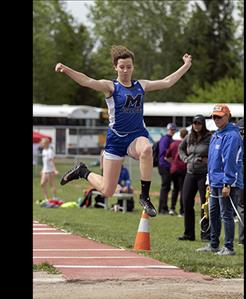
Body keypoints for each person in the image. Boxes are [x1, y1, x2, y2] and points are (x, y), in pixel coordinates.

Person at [55, 45, 192, 217]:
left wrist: (186, 65)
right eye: (122, 67)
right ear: (115, 67)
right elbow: (86, 81)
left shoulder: (140, 85)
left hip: (136, 135)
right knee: (107, 190)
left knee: (148, 149)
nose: (125, 70)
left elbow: (167, 82)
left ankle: (145, 196)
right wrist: (67, 69)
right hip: (115, 140)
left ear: (133, 67)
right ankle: (83, 171)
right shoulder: (110, 87)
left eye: (129, 66)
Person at [196, 104, 243, 255]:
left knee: (226, 214)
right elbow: (212, 161)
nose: (216, 119)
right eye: (214, 116)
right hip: (214, 181)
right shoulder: (216, 134)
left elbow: (230, 160)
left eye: (219, 116)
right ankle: (213, 244)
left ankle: (229, 247)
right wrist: (209, 180)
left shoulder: (232, 136)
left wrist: (227, 183)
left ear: (227, 116)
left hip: (227, 182)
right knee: (213, 212)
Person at [177, 114, 212, 241]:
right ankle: (189, 234)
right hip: (190, 173)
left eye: (199, 123)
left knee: (205, 204)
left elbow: (215, 152)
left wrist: (209, 160)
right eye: (195, 123)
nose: (196, 125)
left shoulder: (210, 137)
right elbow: (180, 148)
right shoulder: (189, 136)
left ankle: (205, 234)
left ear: (203, 124)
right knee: (186, 201)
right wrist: (185, 158)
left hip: (204, 174)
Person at [165, 127, 188, 216]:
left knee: (175, 189)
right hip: (184, 169)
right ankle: (182, 211)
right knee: (183, 190)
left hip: (174, 169)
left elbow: (167, 157)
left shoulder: (174, 144)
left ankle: (172, 208)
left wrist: (173, 162)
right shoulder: (188, 145)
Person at [157, 122, 177, 214]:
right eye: (171, 129)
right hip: (164, 165)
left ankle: (163, 207)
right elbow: (165, 152)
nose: (172, 131)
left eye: (173, 129)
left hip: (167, 165)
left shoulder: (170, 139)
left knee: (167, 187)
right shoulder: (165, 139)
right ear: (168, 129)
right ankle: (162, 208)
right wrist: (172, 160)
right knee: (165, 187)